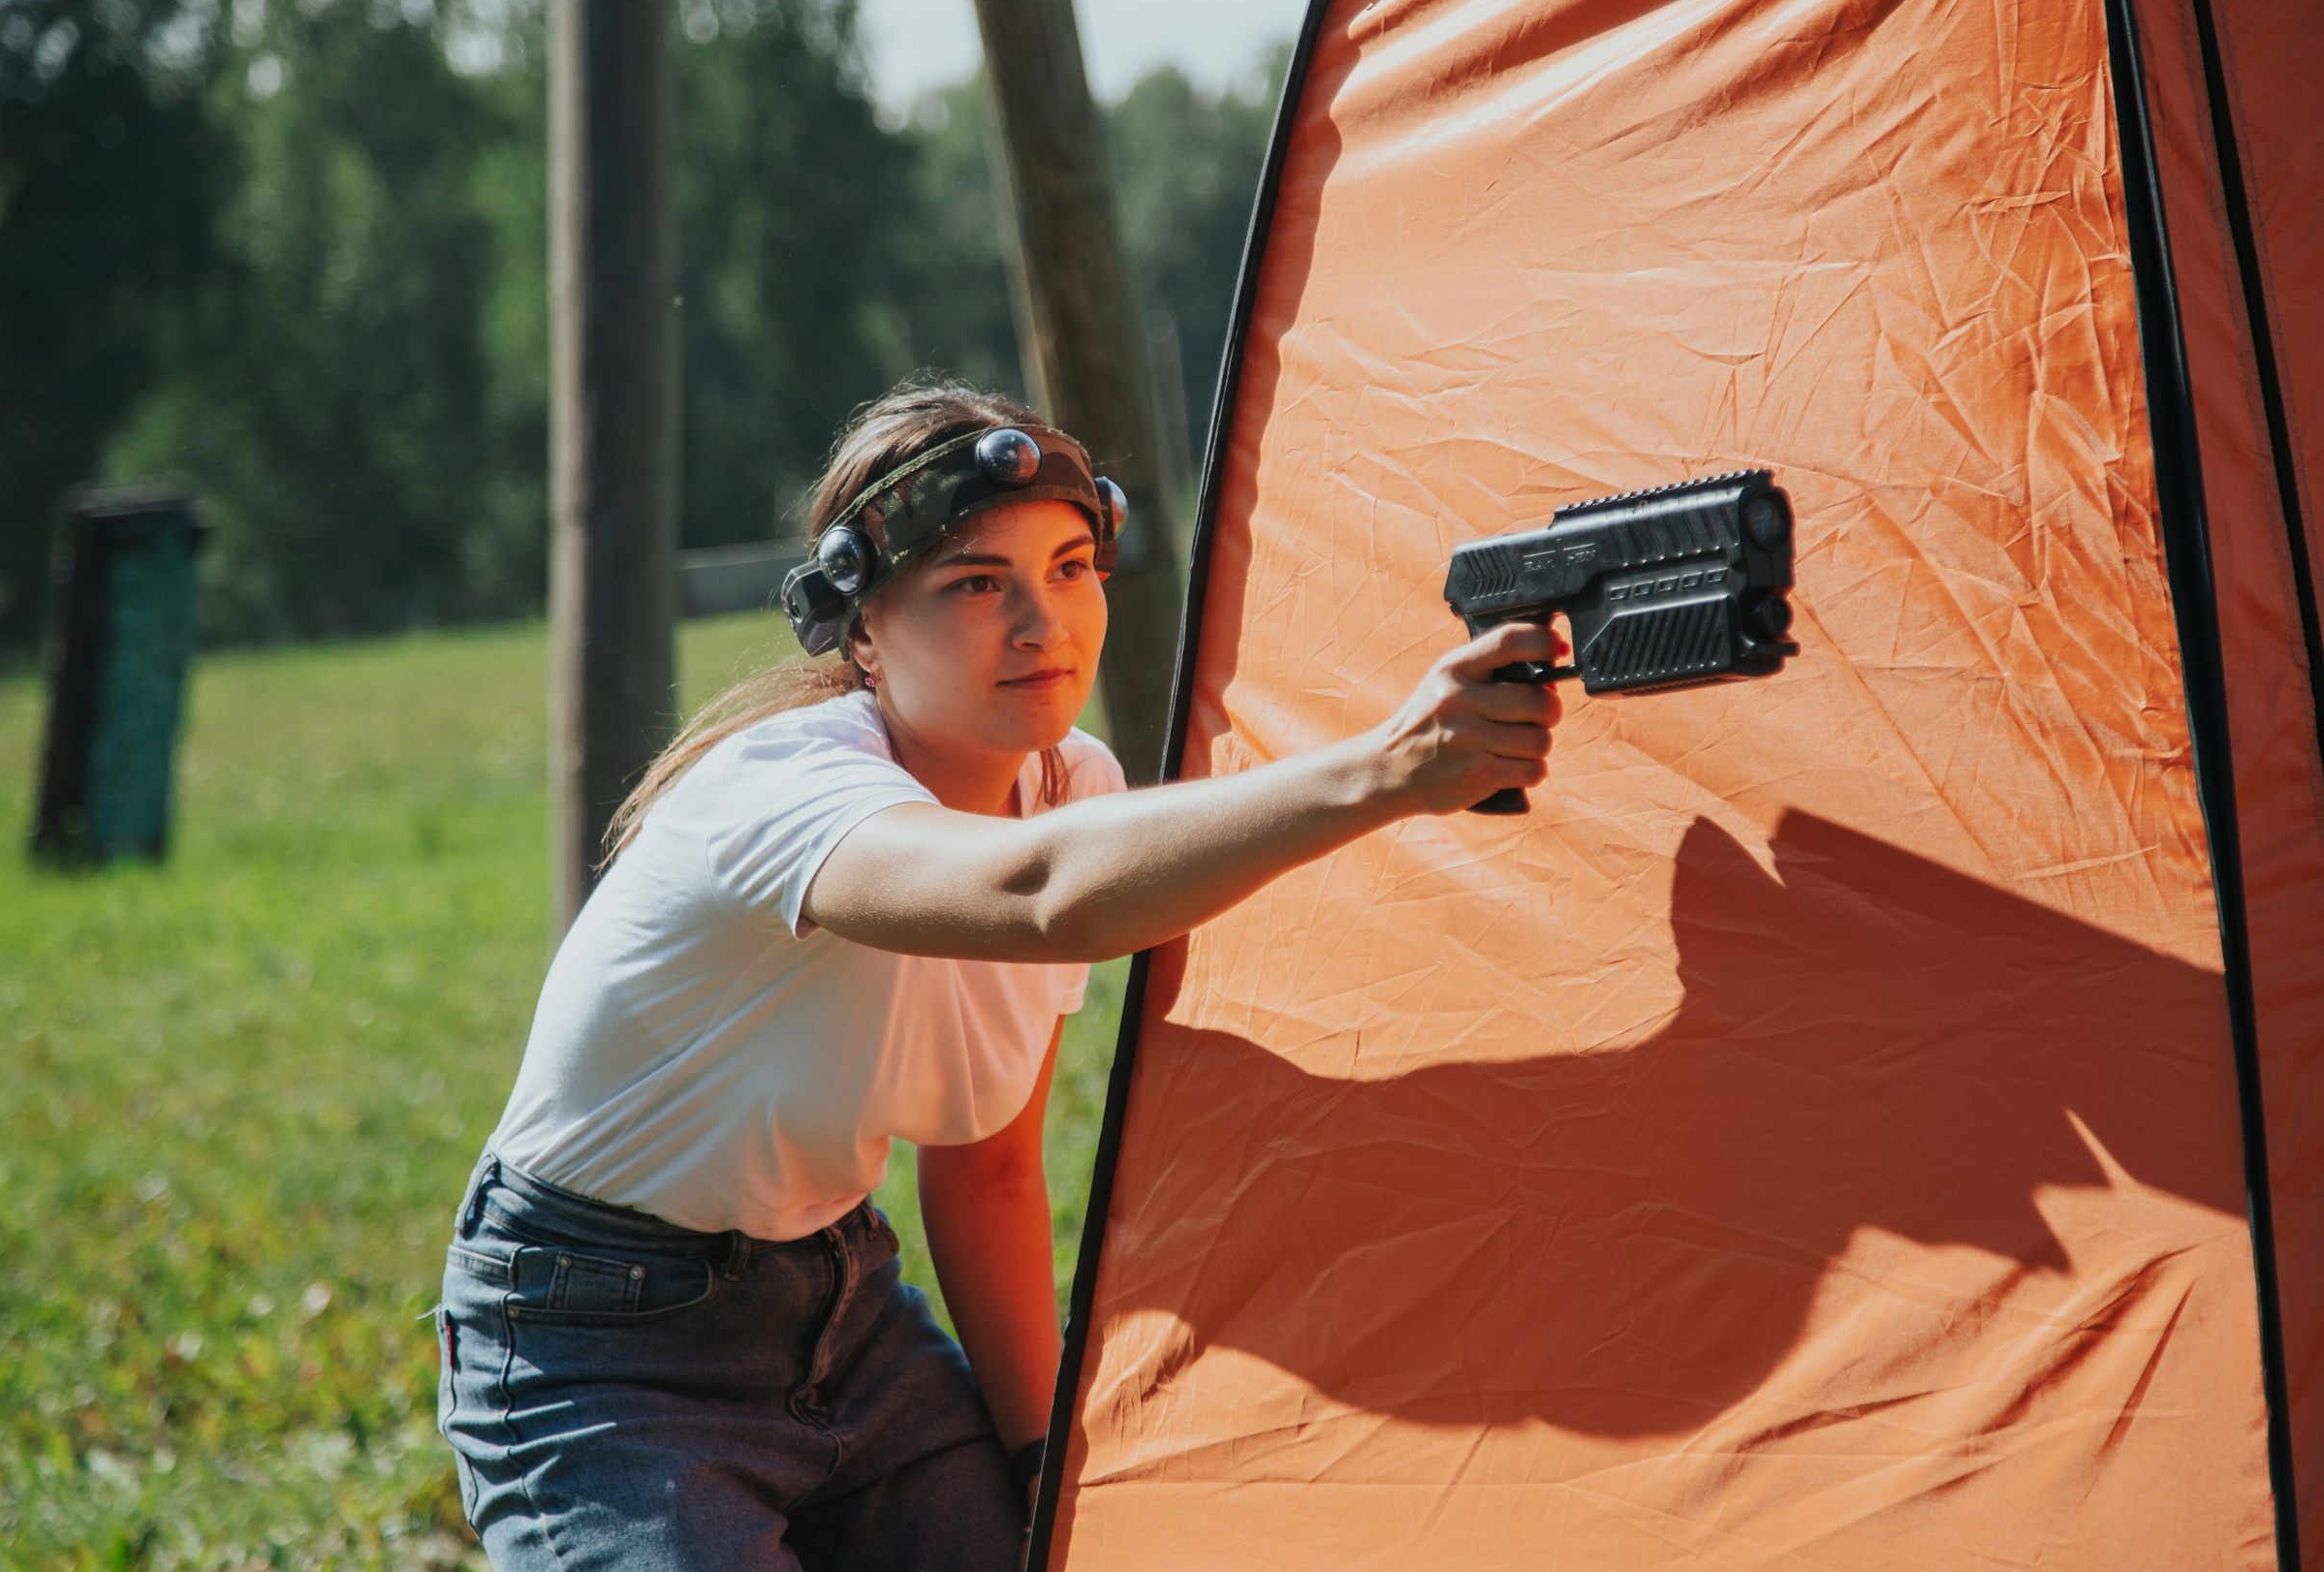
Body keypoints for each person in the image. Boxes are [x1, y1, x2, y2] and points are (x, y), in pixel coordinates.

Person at [436, 381, 1561, 1570]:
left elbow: (985, 1175)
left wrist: (1038, 1471)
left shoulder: (1071, 785)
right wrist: (1388, 771)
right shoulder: (777, 792)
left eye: (1071, 568)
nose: (1045, 626)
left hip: (845, 1315)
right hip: (601, 1342)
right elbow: (1035, 897)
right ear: (862, 628)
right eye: (978, 584)